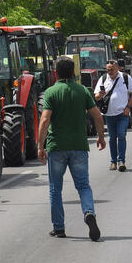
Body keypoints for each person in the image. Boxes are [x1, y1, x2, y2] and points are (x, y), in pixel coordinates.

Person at [37, 56, 106, 241]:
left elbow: (44, 120)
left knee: (55, 189)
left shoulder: (51, 92)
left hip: (57, 147)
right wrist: (100, 137)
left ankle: (59, 228)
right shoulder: (82, 91)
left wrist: (40, 145)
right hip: (79, 147)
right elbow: (98, 117)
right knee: (83, 186)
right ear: (74, 72)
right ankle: (89, 212)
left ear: (55, 72)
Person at [94, 59, 132, 172]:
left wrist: (128, 107)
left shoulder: (125, 78)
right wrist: (100, 94)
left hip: (122, 113)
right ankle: (113, 161)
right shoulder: (103, 79)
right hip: (109, 115)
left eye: (112, 69)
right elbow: (96, 97)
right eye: (108, 70)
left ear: (118, 68)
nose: (110, 72)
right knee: (112, 138)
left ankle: (121, 161)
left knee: (121, 135)